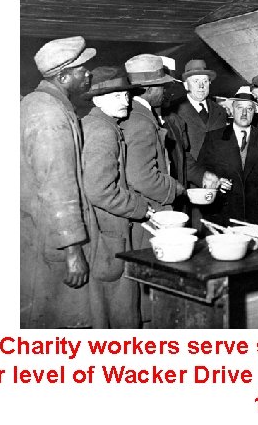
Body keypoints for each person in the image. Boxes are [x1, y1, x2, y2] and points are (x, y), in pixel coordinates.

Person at [20, 36, 95, 328]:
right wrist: (73, 250)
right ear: (63, 76)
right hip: (54, 244)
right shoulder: (49, 114)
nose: (88, 72)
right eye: (82, 69)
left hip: (38, 234)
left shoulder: (38, 103)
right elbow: (57, 185)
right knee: (64, 325)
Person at [81, 67, 152, 328]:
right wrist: (139, 207)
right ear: (98, 99)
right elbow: (100, 189)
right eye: (117, 96)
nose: (127, 101)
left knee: (105, 308)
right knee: (116, 310)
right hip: (108, 233)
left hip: (101, 231)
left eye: (126, 95)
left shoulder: (96, 124)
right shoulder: (103, 131)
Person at [121, 54, 187, 250]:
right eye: (161, 86)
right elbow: (141, 177)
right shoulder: (142, 122)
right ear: (148, 89)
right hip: (150, 212)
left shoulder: (133, 115)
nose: (165, 91)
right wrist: (174, 188)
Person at [198, 86, 258, 226]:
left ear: (255, 112)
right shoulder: (214, 137)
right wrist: (216, 182)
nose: (244, 113)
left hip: (255, 216)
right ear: (232, 110)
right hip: (223, 213)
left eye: (249, 109)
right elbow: (202, 170)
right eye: (240, 107)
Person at [174, 59, 228, 159]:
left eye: (205, 81)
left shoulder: (220, 111)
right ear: (186, 85)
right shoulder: (174, 111)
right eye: (196, 81)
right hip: (189, 173)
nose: (201, 86)